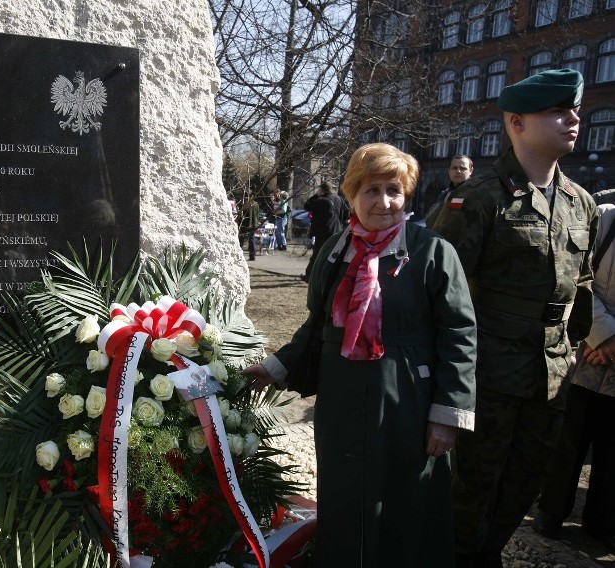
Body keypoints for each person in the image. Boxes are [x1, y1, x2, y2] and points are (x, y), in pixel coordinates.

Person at [245, 142, 477, 567]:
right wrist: (276, 367)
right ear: (352, 194)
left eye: (394, 189)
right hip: (342, 398)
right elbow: (318, 328)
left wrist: (447, 414)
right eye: (372, 189)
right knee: (346, 493)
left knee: (407, 497)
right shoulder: (336, 251)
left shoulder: (432, 252)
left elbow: (459, 334)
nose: (384, 201)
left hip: (408, 396)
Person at [430, 68, 598, 568]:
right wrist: (445, 385)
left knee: (526, 480)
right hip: (486, 376)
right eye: (558, 111)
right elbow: (439, 293)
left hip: (550, 377)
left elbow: (582, 284)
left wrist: (575, 349)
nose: (573, 119)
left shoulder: (579, 202)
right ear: (517, 122)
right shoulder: (480, 196)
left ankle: (488, 554)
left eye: (574, 110)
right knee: (471, 489)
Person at [532, 202, 615, 552]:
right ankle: (550, 514)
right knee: (568, 440)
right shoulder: (605, 217)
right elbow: (573, 275)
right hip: (584, 352)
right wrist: (606, 337)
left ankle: (602, 525)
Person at [301, 181, 349, 281]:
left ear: (322, 190)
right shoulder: (339, 199)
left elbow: (307, 206)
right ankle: (331, 276)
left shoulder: (322, 200)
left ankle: (309, 275)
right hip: (337, 231)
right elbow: (347, 214)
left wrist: (315, 195)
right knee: (333, 255)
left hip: (323, 232)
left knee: (317, 255)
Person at [424, 155, 474, 227]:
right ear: (449, 171)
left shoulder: (474, 193)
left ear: (471, 171)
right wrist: (444, 203)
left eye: (463, 168)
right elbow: (429, 221)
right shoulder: (445, 194)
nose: (458, 171)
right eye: (454, 168)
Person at [247, 196, 261, 261]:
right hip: (254, 224)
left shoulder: (247, 204)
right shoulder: (256, 204)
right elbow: (257, 215)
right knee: (252, 239)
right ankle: (252, 255)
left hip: (248, 224)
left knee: (243, 239)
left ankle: (252, 255)